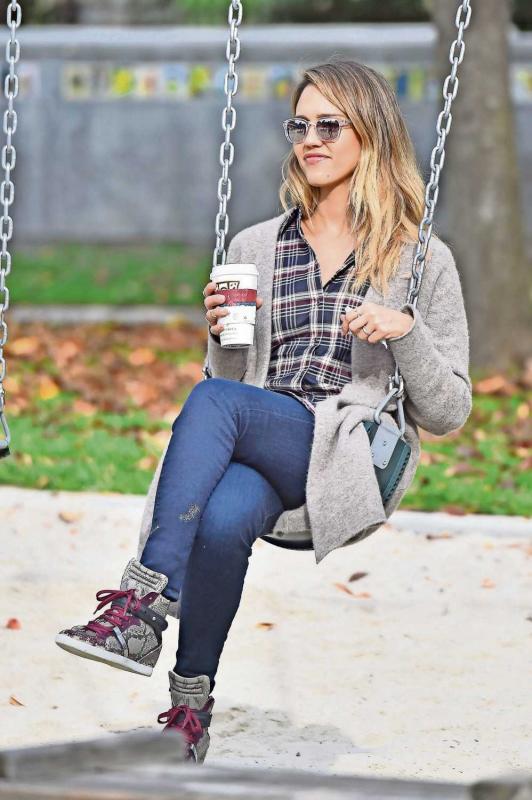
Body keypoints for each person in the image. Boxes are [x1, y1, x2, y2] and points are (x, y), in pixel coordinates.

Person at [55, 59, 472, 764]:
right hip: (264, 435)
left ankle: (142, 604)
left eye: (330, 126)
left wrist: (406, 333)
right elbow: (232, 379)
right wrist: (221, 335)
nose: (310, 140)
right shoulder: (256, 245)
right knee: (221, 520)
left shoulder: (421, 258)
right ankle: (188, 714)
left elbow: (449, 410)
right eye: (299, 126)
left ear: (371, 133)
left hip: (346, 445)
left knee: (214, 403)